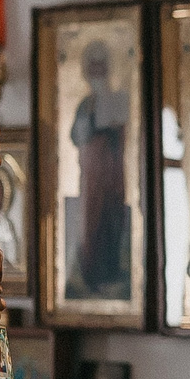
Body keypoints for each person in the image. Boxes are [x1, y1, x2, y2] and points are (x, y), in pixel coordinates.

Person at [68, 40, 131, 299]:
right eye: (92, 66)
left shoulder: (117, 99)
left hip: (111, 173)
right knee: (91, 223)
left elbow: (123, 131)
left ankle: (111, 273)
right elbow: (76, 136)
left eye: (101, 65)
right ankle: (92, 275)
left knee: (111, 220)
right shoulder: (85, 104)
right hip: (91, 176)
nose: (97, 71)